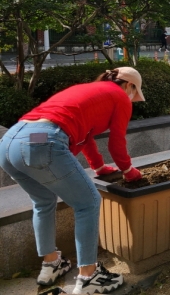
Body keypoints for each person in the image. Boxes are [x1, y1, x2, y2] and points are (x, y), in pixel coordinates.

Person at [0, 68, 145, 294]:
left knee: (43, 202)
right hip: (42, 141)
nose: (132, 100)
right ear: (130, 86)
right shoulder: (119, 97)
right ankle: (89, 277)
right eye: (134, 95)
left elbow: (84, 137)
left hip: (11, 140)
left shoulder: (87, 90)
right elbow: (116, 143)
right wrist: (128, 170)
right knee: (87, 203)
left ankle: (51, 265)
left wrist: (98, 167)